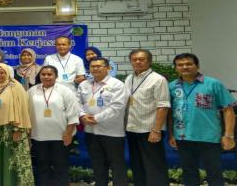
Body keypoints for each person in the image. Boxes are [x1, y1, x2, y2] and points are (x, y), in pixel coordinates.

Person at [168, 53, 236, 186]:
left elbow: (228, 110)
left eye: (189, 64)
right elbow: (169, 113)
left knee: (214, 172)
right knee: (188, 172)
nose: (185, 67)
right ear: (176, 68)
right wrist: (171, 134)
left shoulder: (213, 84)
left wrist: (229, 135)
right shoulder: (171, 86)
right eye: (180, 65)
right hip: (183, 136)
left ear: (197, 66)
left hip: (209, 136)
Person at [78, 57, 128, 186]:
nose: (95, 68)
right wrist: (83, 116)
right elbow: (77, 103)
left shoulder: (117, 84)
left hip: (112, 133)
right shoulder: (84, 85)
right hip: (91, 131)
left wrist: (96, 118)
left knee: (117, 166)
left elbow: (117, 107)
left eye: (99, 66)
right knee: (98, 165)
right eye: (92, 66)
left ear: (108, 68)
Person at [124, 49, 170, 186]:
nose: (137, 62)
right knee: (137, 164)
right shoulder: (129, 78)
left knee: (155, 165)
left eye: (141, 59)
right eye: (134, 59)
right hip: (132, 127)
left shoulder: (158, 79)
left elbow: (163, 106)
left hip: (149, 129)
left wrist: (156, 130)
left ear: (149, 61)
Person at [28, 65, 79, 186]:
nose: (46, 77)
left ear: (56, 76)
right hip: (38, 136)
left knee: (61, 166)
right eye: (43, 74)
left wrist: (68, 134)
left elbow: (73, 114)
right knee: (42, 165)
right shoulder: (32, 91)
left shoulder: (65, 91)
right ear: (39, 76)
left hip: (60, 137)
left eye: (49, 74)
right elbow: (26, 112)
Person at [0, 63, 34, 186]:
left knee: (13, 158)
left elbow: (23, 108)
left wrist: (18, 128)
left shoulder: (15, 86)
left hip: (13, 128)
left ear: (7, 73)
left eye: (2, 72)